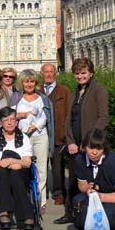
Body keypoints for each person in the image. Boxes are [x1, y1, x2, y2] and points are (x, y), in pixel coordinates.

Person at [62, 58, 109, 224]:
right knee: (74, 181)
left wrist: (88, 142)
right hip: (75, 145)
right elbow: (69, 119)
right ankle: (71, 213)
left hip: (91, 145)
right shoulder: (74, 93)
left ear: (91, 73)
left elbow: (103, 118)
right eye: (77, 73)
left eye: (83, 73)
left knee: (92, 181)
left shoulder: (98, 90)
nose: (80, 76)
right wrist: (70, 141)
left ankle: (89, 214)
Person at [0, 107, 35, 230]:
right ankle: (4, 213)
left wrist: (12, 162)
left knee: (15, 175)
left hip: (21, 172)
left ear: (16, 122)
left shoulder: (24, 137)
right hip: (1, 172)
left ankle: (27, 216)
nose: (9, 122)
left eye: (12, 119)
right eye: (6, 120)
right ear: (1, 122)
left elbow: (27, 162)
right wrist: (12, 163)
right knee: (2, 172)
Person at [14, 69, 54, 212]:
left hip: (40, 135)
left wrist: (35, 126)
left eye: (32, 81)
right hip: (23, 137)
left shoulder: (42, 98)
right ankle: (25, 198)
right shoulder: (17, 98)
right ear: (22, 83)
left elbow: (46, 116)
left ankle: (41, 201)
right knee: (23, 167)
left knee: (41, 168)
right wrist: (23, 115)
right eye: (26, 81)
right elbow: (12, 116)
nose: (29, 84)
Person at [40, 63, 73, 217]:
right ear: (42, 74)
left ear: (56, 74)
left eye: (51, 72)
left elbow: (70, 113)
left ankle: (59, 192)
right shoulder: (37, 90)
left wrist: (67, 133)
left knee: (57, 165)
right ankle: (42, 191)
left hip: (58, 133)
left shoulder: (64, 91)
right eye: (46, 72)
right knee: (40, 164)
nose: (48, 74)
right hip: (41, 133)